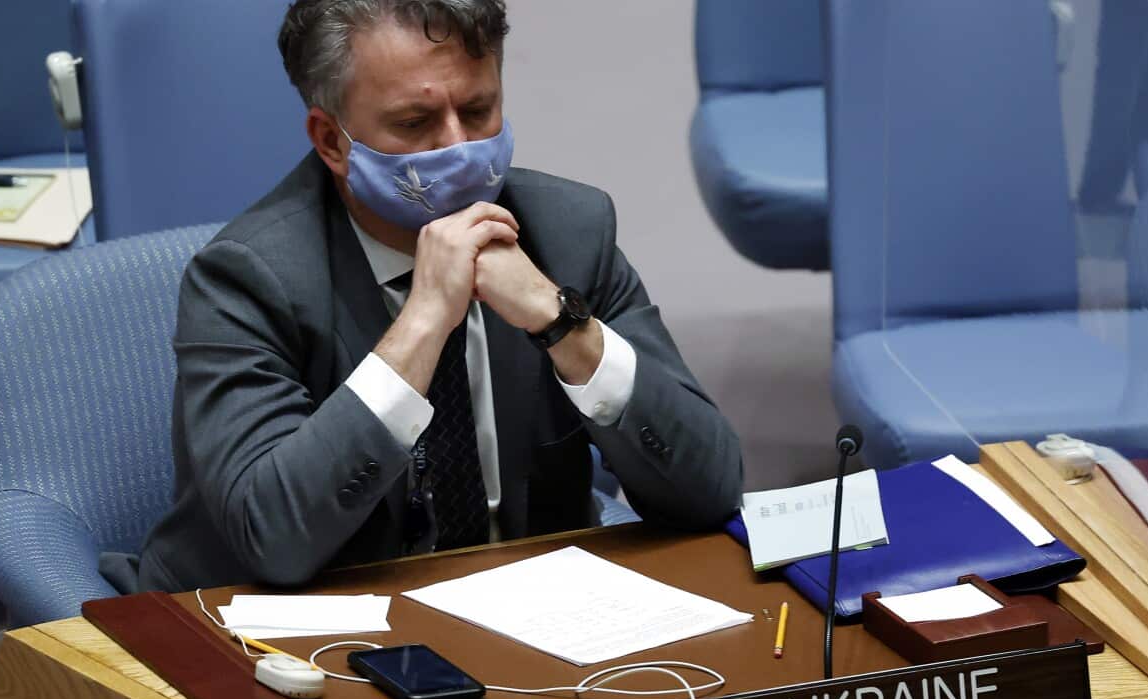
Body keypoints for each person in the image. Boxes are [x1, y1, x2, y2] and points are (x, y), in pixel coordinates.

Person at [130, 0, 742, 593]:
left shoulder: (570, 234)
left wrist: (565, 327)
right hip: (304, 633)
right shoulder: (247, 277)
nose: (458, 148)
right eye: (415, 124)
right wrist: (422, 324)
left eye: (478, 110)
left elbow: (709, 488)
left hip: (531, 617)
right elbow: (275, 538)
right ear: (331, 141)